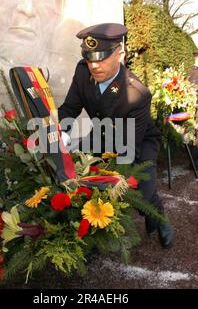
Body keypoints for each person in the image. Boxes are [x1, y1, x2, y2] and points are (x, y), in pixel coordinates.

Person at [58, 23, 174, 248]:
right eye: (89, 58)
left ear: (119, 54)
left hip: (136, 141)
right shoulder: (83, 71)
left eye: (101, 58)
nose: (94, 65)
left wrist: (107, 176)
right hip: (102, 132)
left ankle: (160, 218)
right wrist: (60, 131)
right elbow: (70, 108)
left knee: (141, 191)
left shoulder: (137, 93)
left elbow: (128, 149)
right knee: (77, 174)